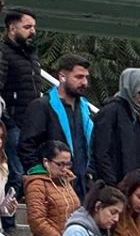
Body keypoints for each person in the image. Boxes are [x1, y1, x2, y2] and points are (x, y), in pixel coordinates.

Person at [20, 53, 95, 198]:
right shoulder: (42, 106)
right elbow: (26, 147)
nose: (84, 82)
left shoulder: (85, 110)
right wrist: (43, 178)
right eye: (79, 77)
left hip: (82, 187)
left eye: (86, 77)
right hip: (52, 188)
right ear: (62, 77)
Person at [0, 6, 41, 214]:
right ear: (12, 28)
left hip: (29, 121)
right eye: (27, 26)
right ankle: (6, 219)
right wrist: (6, 117)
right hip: (12, 121)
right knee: (14, 172)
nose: (32, 31)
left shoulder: (30, 54)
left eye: (33, 27)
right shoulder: (3, 52)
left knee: (26, 172)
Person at [91, 69, 140, 187]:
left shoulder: (136, 114)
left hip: (133, 185)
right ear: (129, 89)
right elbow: (101, 151)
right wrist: (113, 183)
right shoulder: (110, 111)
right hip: (116, 186)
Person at [24, 141, 82, 236]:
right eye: (60, 164)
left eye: (68, 164)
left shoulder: (66, 179)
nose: (64, 168)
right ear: (46, 162)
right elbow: (37, 221)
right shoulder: (36, 184)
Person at [62, 184, 127, 236]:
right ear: (98, 206)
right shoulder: (75, 232)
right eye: (113, 212)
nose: (116, 219)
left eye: (119, 214)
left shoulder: (104, 231)